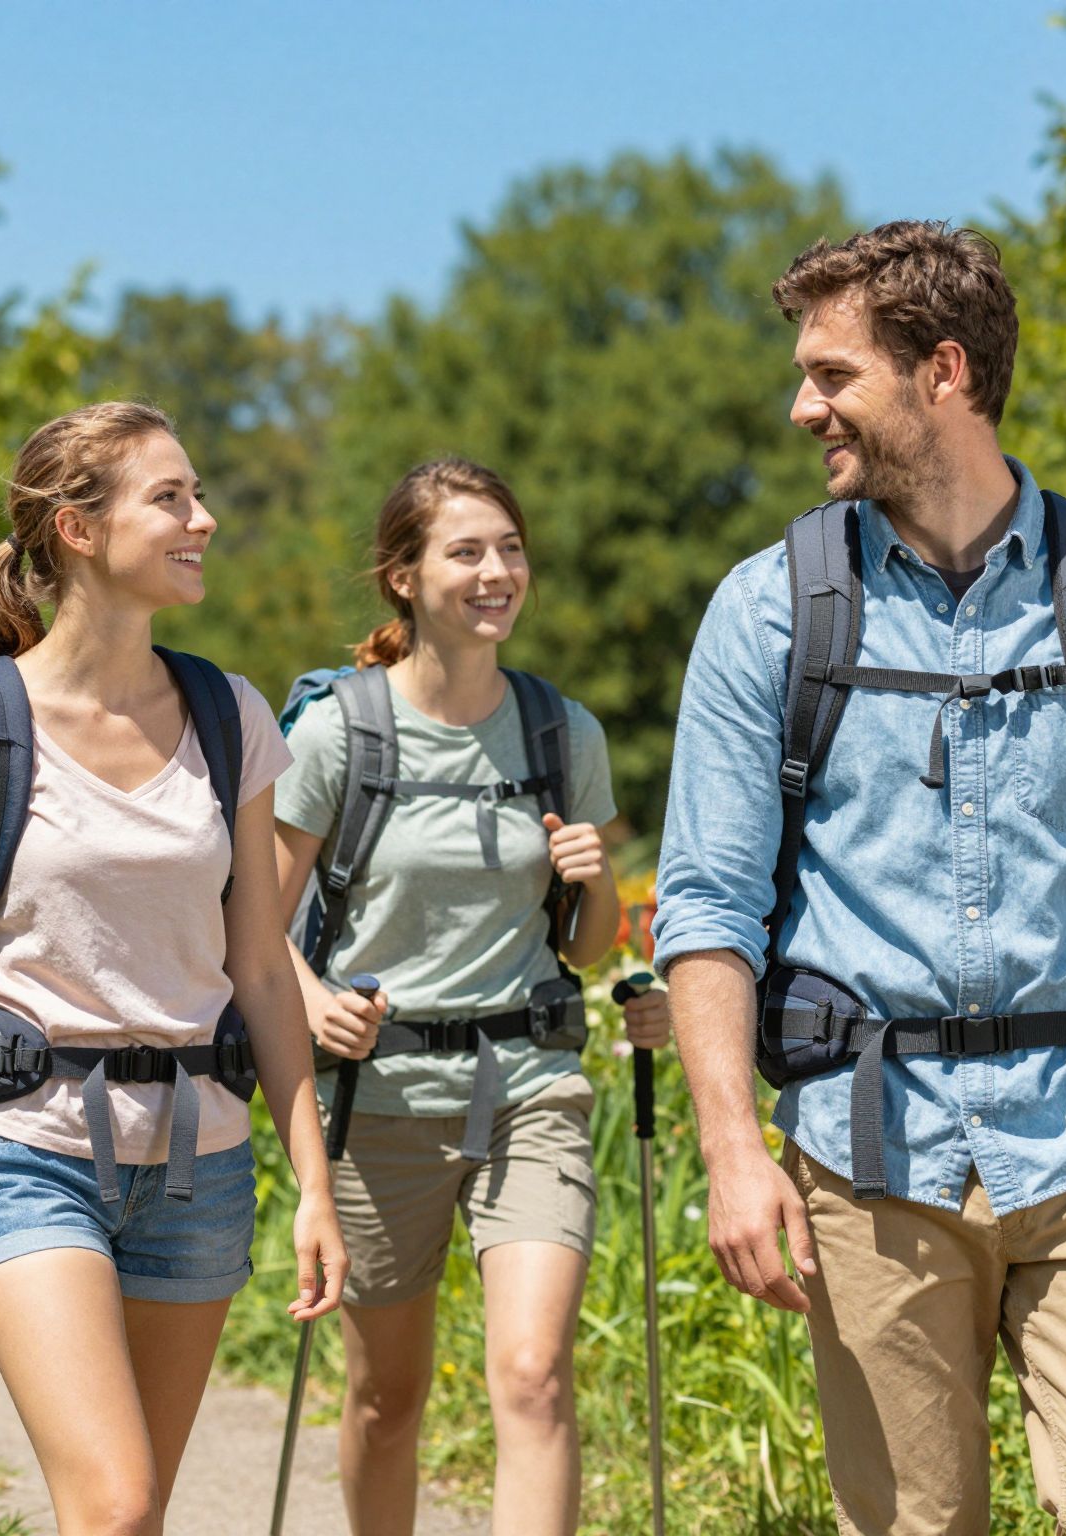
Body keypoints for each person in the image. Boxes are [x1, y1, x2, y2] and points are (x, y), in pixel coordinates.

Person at [654, 222, 1066, 1536]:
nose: (802, 406)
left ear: (942, 370)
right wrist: (734, 1151)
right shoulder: (773, 610)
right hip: (866, 1155)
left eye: (834, 374)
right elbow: (709, 912)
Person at [0, 401, 346, 1533]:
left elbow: (262, 971)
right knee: (116, 1504)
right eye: (170, 498)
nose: (204, 520)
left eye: (197, 494)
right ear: (77, 530)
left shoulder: (229, 716)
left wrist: (311, 1181)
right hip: (28, 1150)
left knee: (129, 1516)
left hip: (201, 1165)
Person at [272, 458, 671, 1536]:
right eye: (466, 551)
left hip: (529, 1089)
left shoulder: (561, 735)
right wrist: (309, 1002)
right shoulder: (336, 735)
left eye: (509, 548)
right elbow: (251, 928)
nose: (497, 572)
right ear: (402, 577)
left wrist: (592, 881)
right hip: (379, 1099)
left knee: (534, 1374)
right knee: (382, 1397)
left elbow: (586, 948)